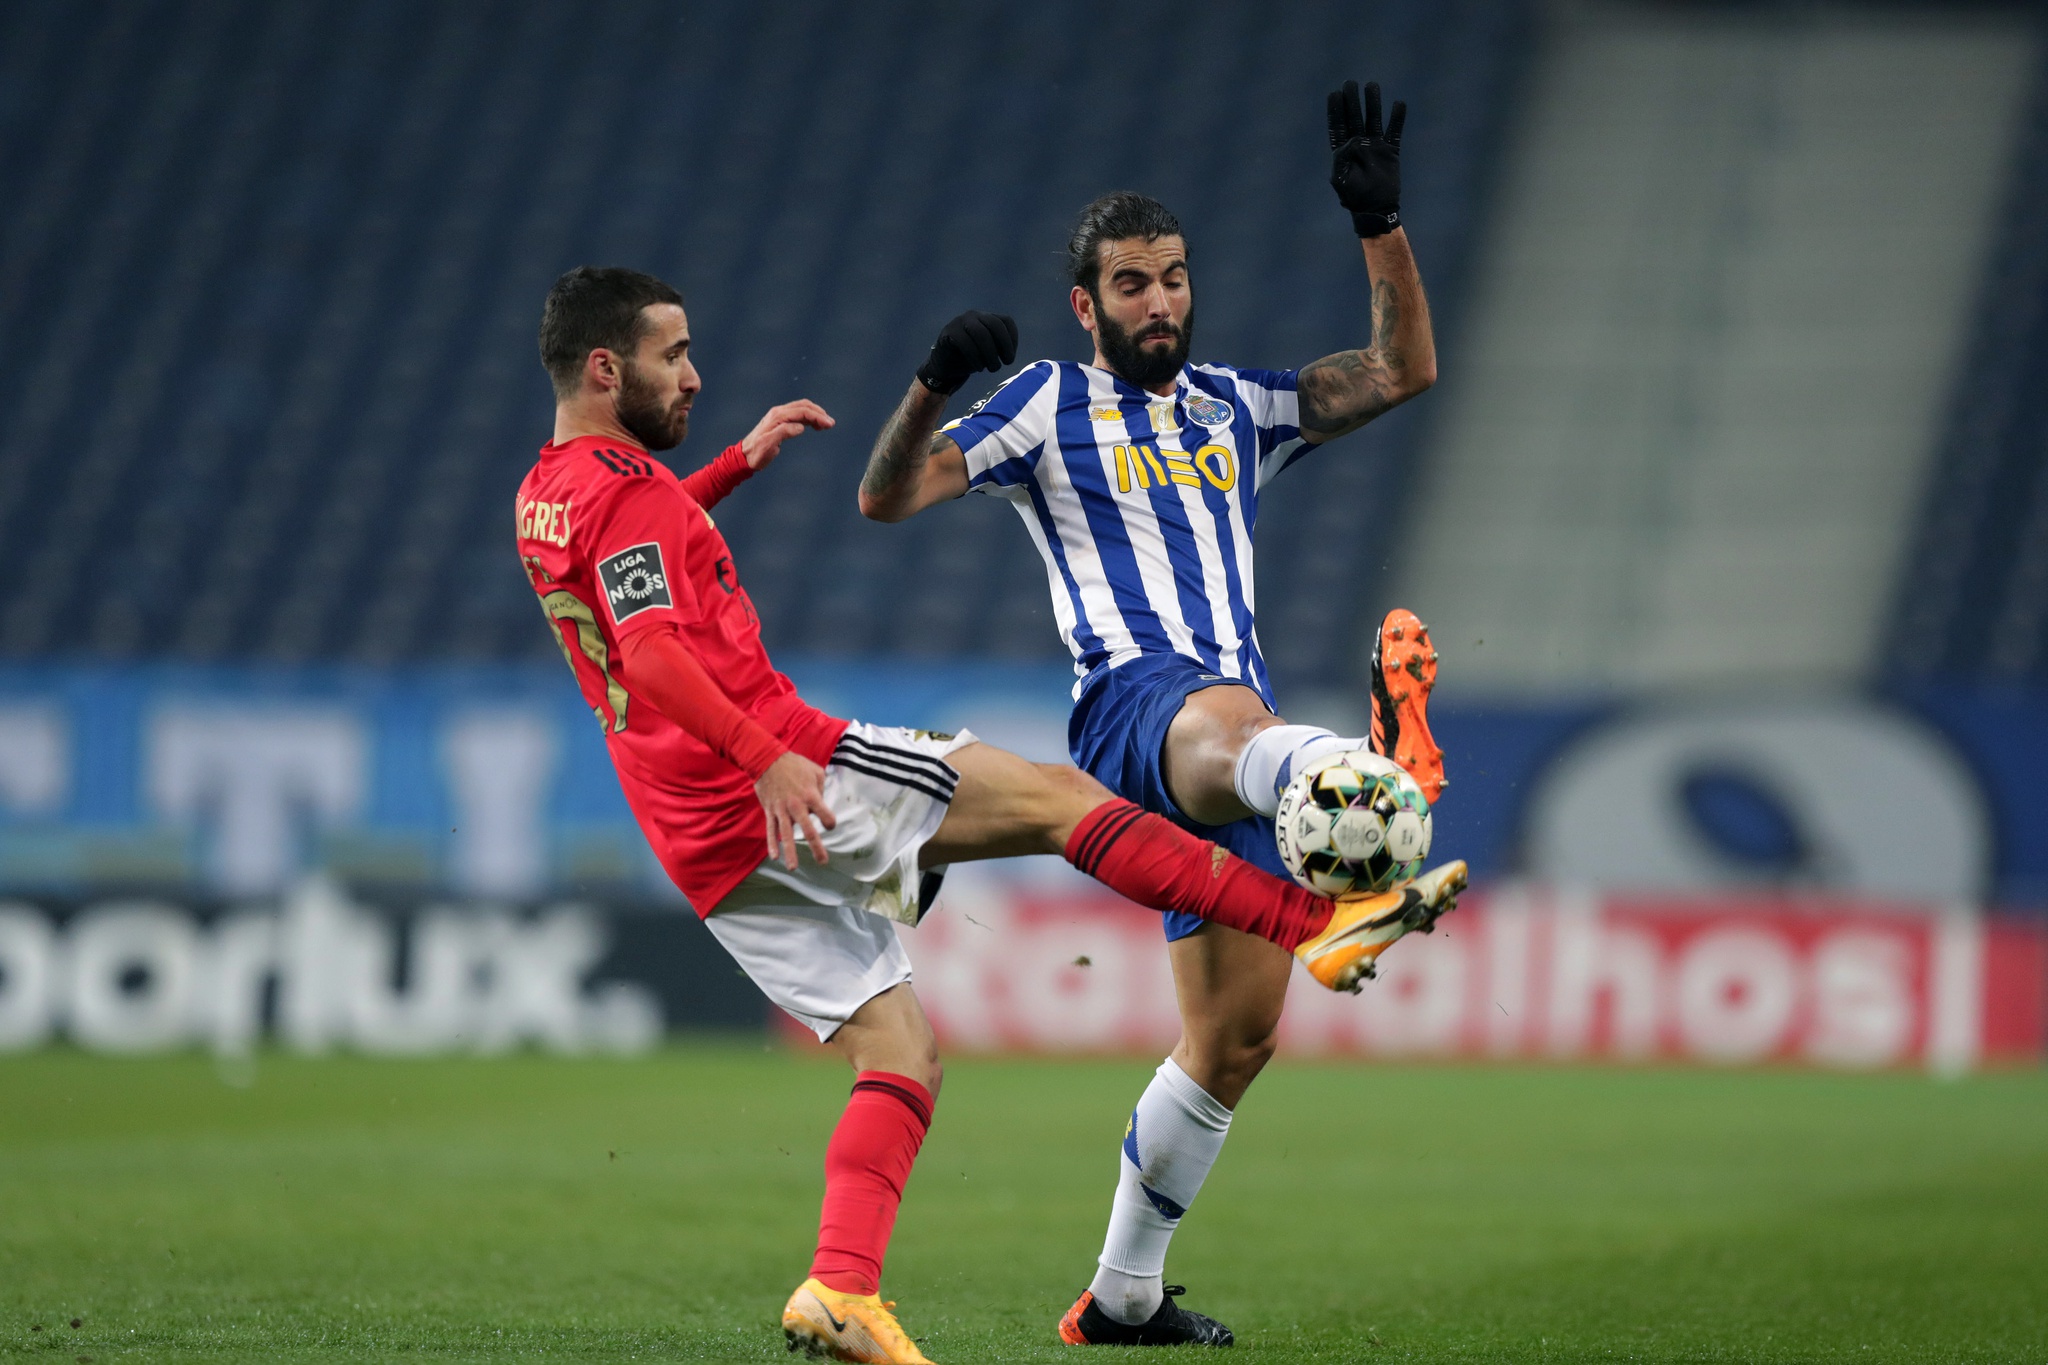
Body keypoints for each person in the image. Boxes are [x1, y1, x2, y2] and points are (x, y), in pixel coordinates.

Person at [517, 264, 1466, 1363]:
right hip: (777, 771)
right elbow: (654, 651)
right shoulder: (630, 496)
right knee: (1063, 802)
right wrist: (766, 756)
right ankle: (1317, 923)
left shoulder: (556, 488)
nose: (692, 375)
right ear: (605, 367)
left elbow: (626, 565)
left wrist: (734, 462)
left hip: (693, 833)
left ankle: (841, 1290)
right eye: (671, 355)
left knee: (901, 1057)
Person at [857, 80, 1451, 1347]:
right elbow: (887, 500)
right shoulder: (1039, 410)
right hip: (1139, 711)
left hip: (1228, 745)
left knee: (1233, 1039)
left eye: (1174, 277)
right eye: (1132, 285)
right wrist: (929, 384)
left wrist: (1379, 224)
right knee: (1237, 721)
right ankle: (1360, 779)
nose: (1161, 302)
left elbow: (1403, 370)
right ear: (1087, 305)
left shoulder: (1239, 409)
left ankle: (1120, 1298)